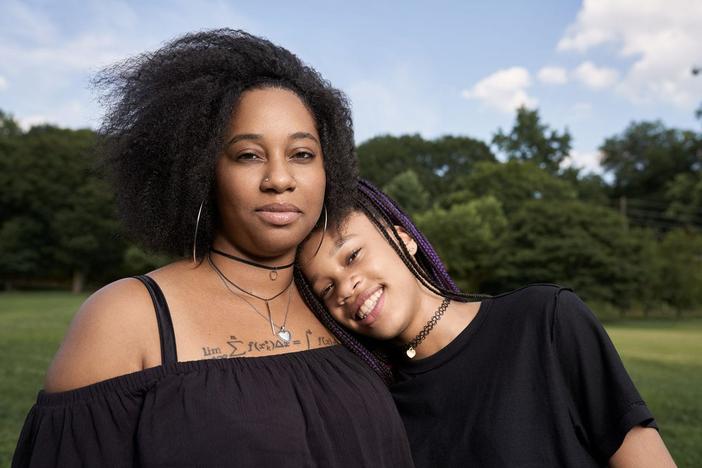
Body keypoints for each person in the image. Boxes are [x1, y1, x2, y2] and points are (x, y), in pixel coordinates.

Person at [12, 31, 414, 467]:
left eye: (301, 153)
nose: (279, 179)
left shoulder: (343, 300)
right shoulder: (127, 317)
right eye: (248, 155)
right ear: (201, 170)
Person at [296, 180, 677, 467]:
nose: (346, 287)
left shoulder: (546, 320)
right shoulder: (383, 408)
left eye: (352, 256)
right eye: (326, 288)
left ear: (403, 238)